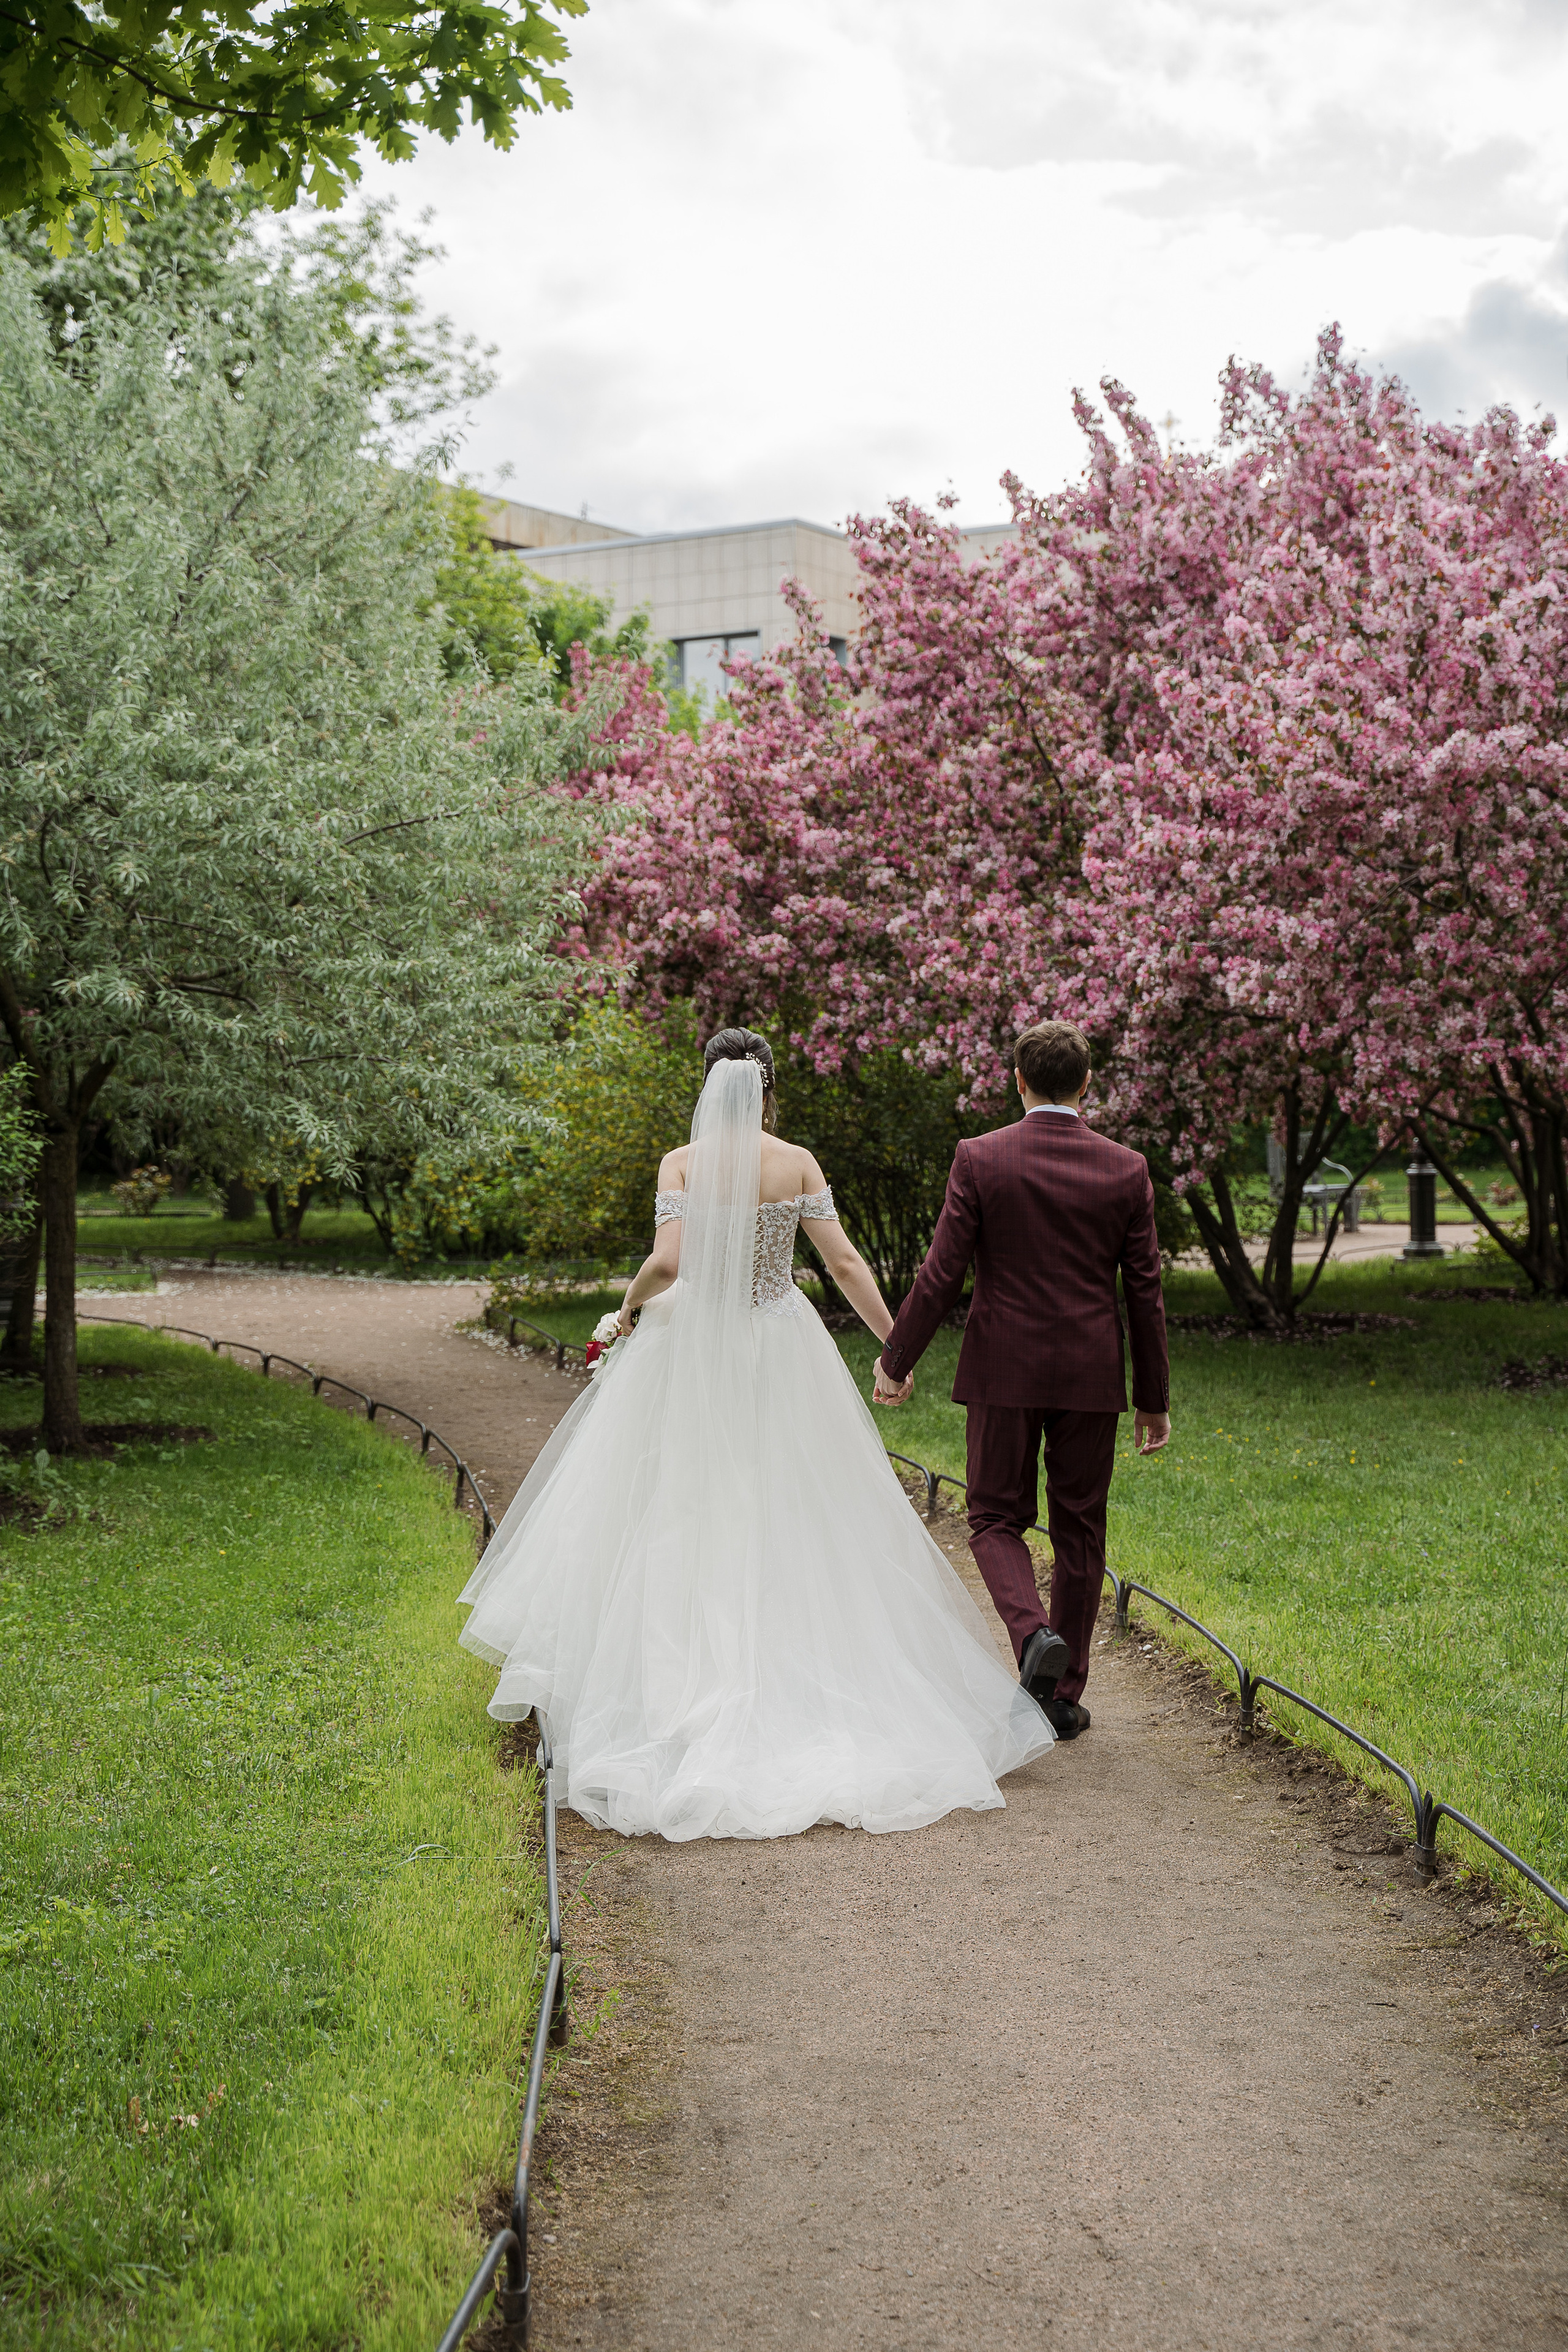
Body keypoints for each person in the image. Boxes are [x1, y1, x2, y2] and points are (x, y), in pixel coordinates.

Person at [457, 1027, 1054, 1841]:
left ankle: (668, 1691)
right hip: (779, 1344)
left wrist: (628, 1310)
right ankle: (809, 1675)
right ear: (769, 1089)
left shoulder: (682, 1163)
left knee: (678, 1504)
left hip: (692, 1348)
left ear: (708, 1086)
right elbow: (844, 1263)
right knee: (797, 1505)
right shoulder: (796, 1162)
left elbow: (669, 1264)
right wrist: (895, 1345)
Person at [875, 1019, 1170, 1740]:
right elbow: (1144, 1292)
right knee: (1080, 1528)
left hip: (1002, 1368)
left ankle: (1032, 1633)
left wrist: (895, 1359)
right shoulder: (1126, 1168)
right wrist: (1152, 1399)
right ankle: (1060, 1699)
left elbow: (941, 1273)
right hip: (1091, 1373)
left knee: (993, 1518)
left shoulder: (981, 1157)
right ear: (1086, 1083)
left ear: (1017, 1080)